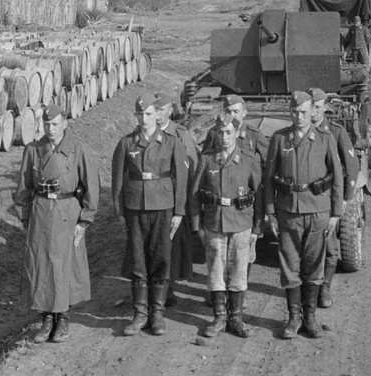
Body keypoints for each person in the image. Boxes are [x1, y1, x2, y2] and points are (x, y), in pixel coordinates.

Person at [14, 103, 99, 344]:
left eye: (55, 124)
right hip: (41, 212)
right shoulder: (33, 150)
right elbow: (23, 188)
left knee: (63, 265)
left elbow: (91, 187)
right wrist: (25, 218)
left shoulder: (78, 149)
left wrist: (84, 222)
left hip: (67, 212)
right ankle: (46, 319)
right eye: (46, 124)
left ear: (65, 124)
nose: (50, 129)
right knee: (41, 264)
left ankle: (63, 318)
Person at [264, 91, 343, 340]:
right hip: (288, 213)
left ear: (313, 113)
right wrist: (270, 212)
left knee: (313, 265)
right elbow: (268, 179)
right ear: (290, 112)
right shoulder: (279, 139)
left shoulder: (324, 138)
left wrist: (335, 213)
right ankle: (293, 318)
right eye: (295, 112)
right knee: (290, 266)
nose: (299, 117)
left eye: (304, 113)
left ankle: (310, 317)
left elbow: (337, 176)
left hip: (318, 212)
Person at [112, 93, 188, 336]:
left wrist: (179, 211)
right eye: (139, 114)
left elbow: (181, 178)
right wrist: (119, 212)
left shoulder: (171, 142)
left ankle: (157, 313)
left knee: (160, 259)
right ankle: (140, 313)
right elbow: (116, 181)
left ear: (158, 114)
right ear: (135, 115)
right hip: (134, 208)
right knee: (138, 260)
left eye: (148, 114)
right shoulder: (126, 143)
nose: (144, 118)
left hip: (163, 206)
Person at [191, 115, 263, 338]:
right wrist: (197, 226)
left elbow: (259, 196)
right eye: (220, 132)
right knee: (215, 271)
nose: (224, 137)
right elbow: (194, 195)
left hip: (241, 223)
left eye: (229, 132)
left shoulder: (249, 160)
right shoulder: (207, 160)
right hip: (214, 222)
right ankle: (219, 317)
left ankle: (236, 318)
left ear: (237, 133)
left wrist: (258, 228)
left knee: (239, 271)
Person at [308, 88, 359, 308]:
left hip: (328, 199)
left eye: (317, 107)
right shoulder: (299, 131)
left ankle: (325, 288)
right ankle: (308, 291)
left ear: (324, 108)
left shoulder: (336, 132)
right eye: (311, 108)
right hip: (305, 201)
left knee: (330, 250)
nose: (313, 113)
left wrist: (346, 199)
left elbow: (351, 167)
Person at [154, 93, 199, 306]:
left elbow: (191, 168)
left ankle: (168, 288)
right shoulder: (146, 134)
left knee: (172, 245)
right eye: (155, 109)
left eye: (161, 109)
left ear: (170, 111)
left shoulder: (180, 134)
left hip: (173, 199)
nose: (157, 114)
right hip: (152, 200)